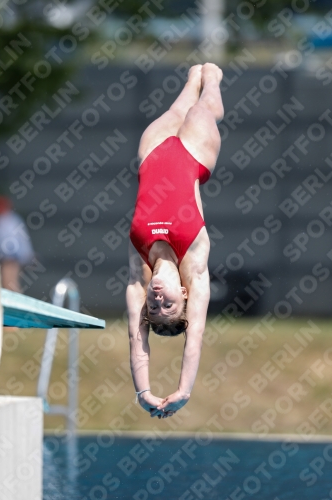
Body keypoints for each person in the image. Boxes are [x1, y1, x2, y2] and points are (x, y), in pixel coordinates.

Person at [126, 63, 224, 419]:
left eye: (153, 310)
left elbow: (137, 340)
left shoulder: (139, 272)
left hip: (151, 154)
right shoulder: (195, 270)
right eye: (166, 306)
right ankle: (212, 80)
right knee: (202, 109)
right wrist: (183, 390)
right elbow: (194, 337)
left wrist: (143, 391)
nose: (156, 302)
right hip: (194, 155)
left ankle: (193, 78)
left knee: (177, 107)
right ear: (183, 296)